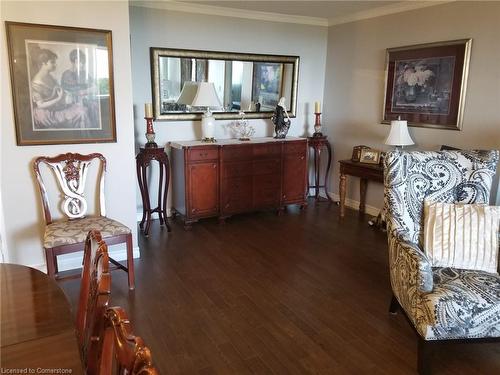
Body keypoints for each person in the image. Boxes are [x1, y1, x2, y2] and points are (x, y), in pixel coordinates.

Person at [30, 48, 89, 129]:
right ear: (44, 63)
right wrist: (59, 99)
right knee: (81, 112)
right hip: (46, 113)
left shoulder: (50, 77)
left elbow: (60, 92)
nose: (55, 65)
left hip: (56, 108)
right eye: (52, 62)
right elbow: (40, 105)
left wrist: (67, 97)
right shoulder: (36, 82)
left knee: (83, 109)